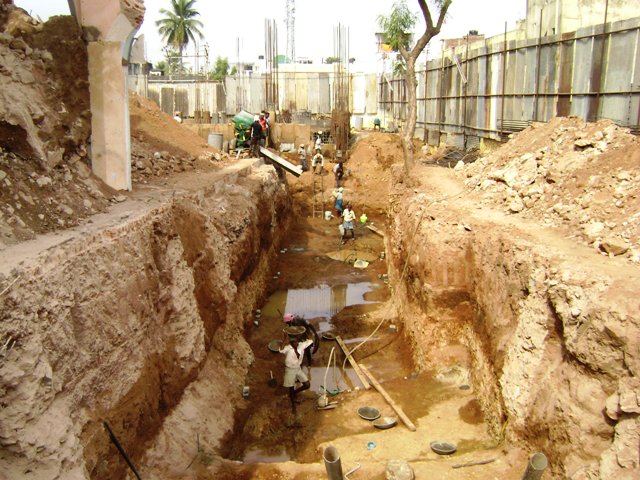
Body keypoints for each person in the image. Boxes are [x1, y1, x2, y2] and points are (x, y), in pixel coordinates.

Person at [279, 331, 314, 414]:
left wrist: (304, 334)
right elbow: (280, 350)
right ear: (291, 342)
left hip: (298, 369)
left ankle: (294, 393)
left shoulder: (301, 345)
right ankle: (293, 405)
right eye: (295, 342)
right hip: (290, 370)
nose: (297, 343)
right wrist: (284, 339)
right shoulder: (287, 348)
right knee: (291, 387)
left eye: (297, 341)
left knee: (307, 384)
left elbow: (310, 341)